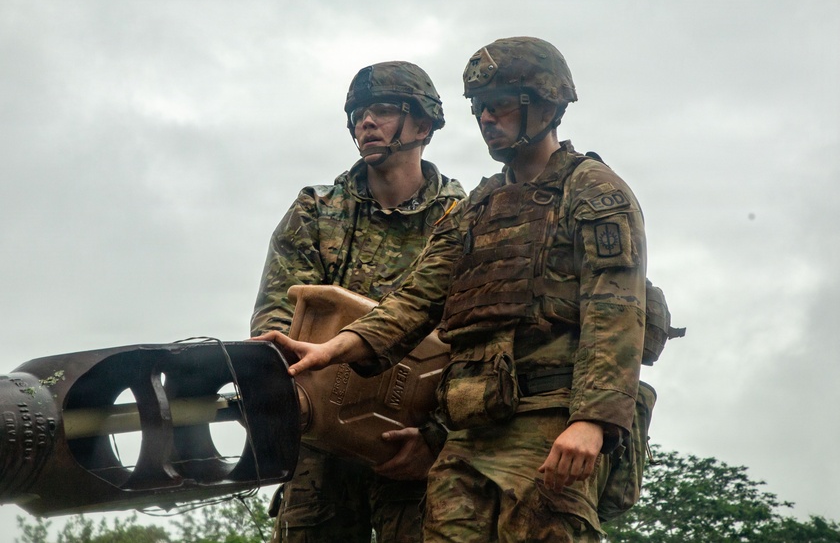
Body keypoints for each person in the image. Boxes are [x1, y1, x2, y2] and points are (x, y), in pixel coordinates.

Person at [257, 37, 648, 542]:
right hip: (471, 431)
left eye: (501, 105)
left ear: (548, 106)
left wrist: (591, 421)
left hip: (548, 419)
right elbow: (416, 300)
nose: (487, 118)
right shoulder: (477, 208)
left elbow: (615, 314)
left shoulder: (594, 192)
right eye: (479, 108)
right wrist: (333, 349)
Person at [251, 61, 466, 543]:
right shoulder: (316, 209)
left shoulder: (464, 217)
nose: (365, 122)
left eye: (383, 110)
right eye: (357, 114)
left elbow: (477, 341)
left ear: (424, 124)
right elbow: (278, 315)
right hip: (320, 444)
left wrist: (435, 435)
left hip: (412, 447)